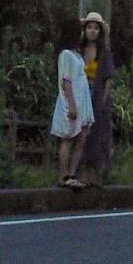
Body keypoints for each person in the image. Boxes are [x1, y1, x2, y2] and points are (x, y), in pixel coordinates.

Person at [51, 17, 94, 187]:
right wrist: (72, 105)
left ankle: (72, 173)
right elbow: (66, 80)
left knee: (81, 136)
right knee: (67, 138)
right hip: (71, 102)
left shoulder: (77, 54)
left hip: (82, 101)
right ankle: (63, 176)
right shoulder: (66, 54)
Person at [80, 12, 116, 182]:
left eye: (95, 28)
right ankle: (81, 173)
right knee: (80, 134)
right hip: (81, 93)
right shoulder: (78, 50)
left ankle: (97, 175)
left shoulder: (104, 52)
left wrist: (103, 99)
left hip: (97, 94)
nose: (92, 31)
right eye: (89, 28)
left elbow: (109, 78)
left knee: (98, 133)